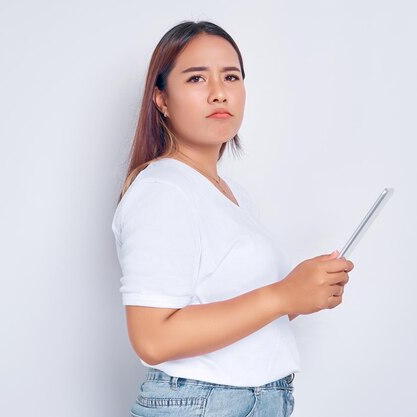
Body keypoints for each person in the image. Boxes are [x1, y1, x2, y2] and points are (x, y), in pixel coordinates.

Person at [111, 20, 354, 417]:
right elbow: (152, 338)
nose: (219, 92)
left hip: (251, 400)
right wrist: (282, 295)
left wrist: (302, 293)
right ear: (162, 100)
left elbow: (228, 309)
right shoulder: (162, 190)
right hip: (205, 403)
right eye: (195, 79)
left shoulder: (230, 193)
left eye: (231, 76)